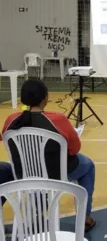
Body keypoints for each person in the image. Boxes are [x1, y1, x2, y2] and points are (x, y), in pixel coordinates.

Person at [1, 79, 96, 231]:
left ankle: (37, 212)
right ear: (45, 97)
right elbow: (74, 149)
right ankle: (84, 216)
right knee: (88, 165)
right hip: (54, 174)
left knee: (4, 169)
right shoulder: (58, 119)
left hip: (23, 174)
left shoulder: (11, 120)